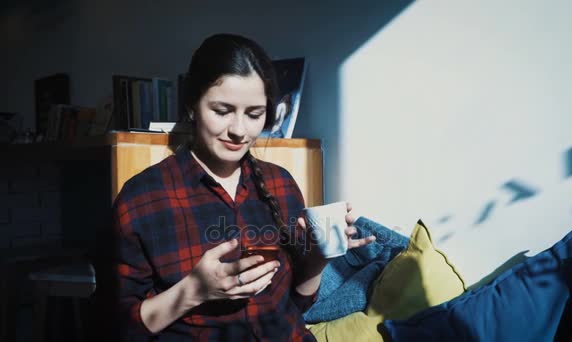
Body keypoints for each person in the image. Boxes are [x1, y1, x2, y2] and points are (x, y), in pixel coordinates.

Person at [113, 33, 376, 341]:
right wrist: (192, 291)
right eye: (222, 111)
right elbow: (118, 328)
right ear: (192, 106)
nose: (239, 131)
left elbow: (295, 304)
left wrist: (318, 259)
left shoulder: (281, 183)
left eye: (254, 114)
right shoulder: (143, 198)